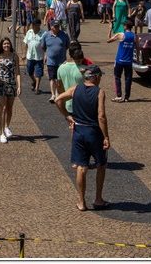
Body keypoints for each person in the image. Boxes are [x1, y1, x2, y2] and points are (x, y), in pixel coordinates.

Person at [54, 66, 110, 211]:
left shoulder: (75, 89)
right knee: (101, 165)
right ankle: (98, 199)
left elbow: (58, 100)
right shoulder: (99, 92)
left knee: (81, 167)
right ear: (95, 77)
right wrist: (106, 136)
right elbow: (101, 116)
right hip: (94, 132)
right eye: (100, 76)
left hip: (79, 131)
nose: (100, 79)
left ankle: (81, 202)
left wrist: (67, 116)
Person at [0, 37, 21, 143]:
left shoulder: (14, 56)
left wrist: (19, 86)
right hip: (1, 84)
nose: (6, 45)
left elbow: (17, 72)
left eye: (8, 44)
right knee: (3, 108)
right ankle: (1, 133)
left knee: (10, 108)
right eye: (4, 44)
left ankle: (6, 126)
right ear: (1, 45)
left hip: (12, 84)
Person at [42, 20, 70, 103]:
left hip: (62, 61)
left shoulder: (64, 35)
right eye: (55, 26)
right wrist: (46, 55)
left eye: (58, 26)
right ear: (51, 27)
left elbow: (67, 46)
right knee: (52, 78)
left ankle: (58, 93)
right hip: (51, 61)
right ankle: (53, 94)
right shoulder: (46, 35)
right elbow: (43, 46)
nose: (57, 27)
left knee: (59, 79)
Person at [56, 42, 88, 117]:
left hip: (68, 105)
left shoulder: (61, 68)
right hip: (82, 105)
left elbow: (59, 87)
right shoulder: (85, 69)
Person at [107, 20, 135, 102]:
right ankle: (127, 97)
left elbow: (108, 40)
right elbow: (136, 46)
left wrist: (110, 29)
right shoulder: (135, 36)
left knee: (117, 77)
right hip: (129, 61)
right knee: (128, 78)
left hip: (119, 60)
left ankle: (119, 96)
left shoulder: (121, 35)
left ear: (125, 26)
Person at [23, 18, 45, 94]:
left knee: (38, 73)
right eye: (32, 24)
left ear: (39, 25)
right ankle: (34, 81)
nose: (33, 26)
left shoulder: (44, 33)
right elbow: (26, 43)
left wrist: (46, 55)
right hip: (30, 56)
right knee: (29, 72)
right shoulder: (29, 32)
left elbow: (46, 45)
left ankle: (37, 88)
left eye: (35, 25)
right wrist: (24, 54)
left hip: (39, 57)